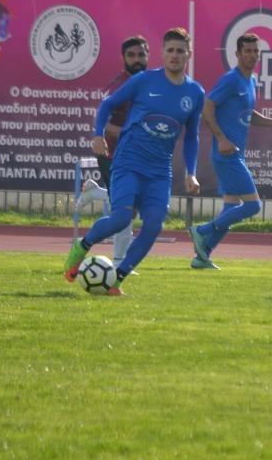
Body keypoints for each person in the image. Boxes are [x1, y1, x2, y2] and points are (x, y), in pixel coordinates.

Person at [63, 27, 205, 295]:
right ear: (162, 53)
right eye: (170, 50)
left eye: (180, 51)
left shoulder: (195, 93)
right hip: (128, 161)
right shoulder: (143, 81)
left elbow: (191, 136)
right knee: (120, 219)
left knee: (153, 226)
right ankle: (81, 247)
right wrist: (98, 135)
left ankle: (116, 281)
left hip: (159, 170)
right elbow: (107, 105)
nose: (175, 55)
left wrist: (191, 172)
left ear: (189, 54)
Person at [189, 33, 272, 269]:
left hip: (235, 153)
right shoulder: (231, 79)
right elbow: (207, 106)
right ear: (237, 54)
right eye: (247, 51)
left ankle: (202, 257)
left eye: (255, 51)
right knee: (253, 206)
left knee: (231, 208)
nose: (252, 55)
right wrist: (221, 139)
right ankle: (201, 230)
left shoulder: (251, 80)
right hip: (227, 154)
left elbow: (248, 114)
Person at [75, 35, 149, 269]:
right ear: (123, 58)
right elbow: (102, 120)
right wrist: (128, 134)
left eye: (141, 55)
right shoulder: (119, 85)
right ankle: (118, 264)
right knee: (124, 209)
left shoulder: (147, 82)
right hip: (113, 154)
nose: (137, 60)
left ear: (148, 56)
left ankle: (96, 193)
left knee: (130, 206)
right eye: (131, 55)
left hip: (136, 155)